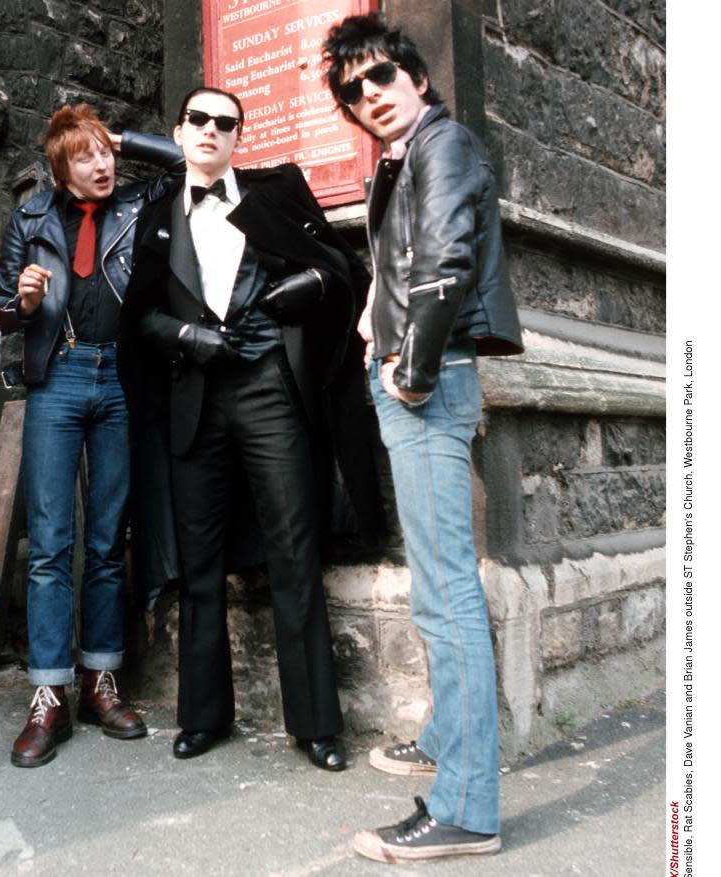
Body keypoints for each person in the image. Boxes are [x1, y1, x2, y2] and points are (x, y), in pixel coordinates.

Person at [321, 14, 524, 862]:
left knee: (446, 595)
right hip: (415, 368)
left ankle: (468, 808)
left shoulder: (444, 145)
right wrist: (380, 316)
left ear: (417, 78)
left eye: (381, 77)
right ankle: (449, 735)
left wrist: (411, 365)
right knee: (439, 581)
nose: (369, 96)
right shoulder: (411, 157)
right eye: (352, 90)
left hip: (426, 378)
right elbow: (405, 263)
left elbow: (444, 260)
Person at [122, 86, 372, 772]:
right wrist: (186, 336)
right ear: (179, 130)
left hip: (270, 389)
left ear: (238, 138)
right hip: (195, 398)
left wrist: (308, 287)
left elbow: (339, 267)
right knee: (201, 566)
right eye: (197, 118)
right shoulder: (157, 214)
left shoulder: (277, 191)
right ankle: (203, 717)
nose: (209, 129)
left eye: (224, 123)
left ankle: (316, 724)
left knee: (296, 553)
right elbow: (139, 316)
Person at [0, 104, 184, 767]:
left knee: (108, 538)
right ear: (58, 166)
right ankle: (50, 695)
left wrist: (120, 137)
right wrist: (18, 300)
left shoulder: (137, 203)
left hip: (122, 379)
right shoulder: (31, 218)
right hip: (59, 378)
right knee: (50, 541)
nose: (101, 165)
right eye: (84, 156)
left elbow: (186, 162)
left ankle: (101, 677)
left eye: (105, 154)